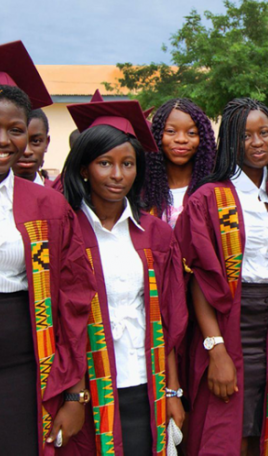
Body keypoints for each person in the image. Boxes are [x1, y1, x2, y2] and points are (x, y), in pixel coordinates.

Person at [174, 97, 268, 456]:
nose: (257, 143)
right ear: (230, 141)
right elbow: (199, 278)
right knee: (220, 424)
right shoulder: (208, 198)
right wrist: (215, 348)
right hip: (225, 321)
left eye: (264, 133)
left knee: (260, 425)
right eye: (246, 136)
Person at [62, 97, 188, 455]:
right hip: (87, 390)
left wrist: (173, 392)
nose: (118, 175)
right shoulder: (65, 230)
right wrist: (72, 392)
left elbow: (168, 320)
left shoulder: (156, 235)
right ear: (84, 168)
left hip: (145, 383)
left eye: (128, 164)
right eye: (105, 163)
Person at [0, 39, 95, 454]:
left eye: (15, 130)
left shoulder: (47, 206)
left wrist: (75, 394)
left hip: (24, 366)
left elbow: (75, 301)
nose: (4, 140)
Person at [143, 98, 216, 228]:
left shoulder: (215, 190)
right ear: (158, 135)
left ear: (203, 138)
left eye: (191, 133)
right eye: (171, 131)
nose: (181, 139)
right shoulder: (143, 190)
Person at [13, 108, 52, 186]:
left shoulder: (59, 195)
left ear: (46, 143)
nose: (27, 151)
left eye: (36, 141)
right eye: (18, 141)